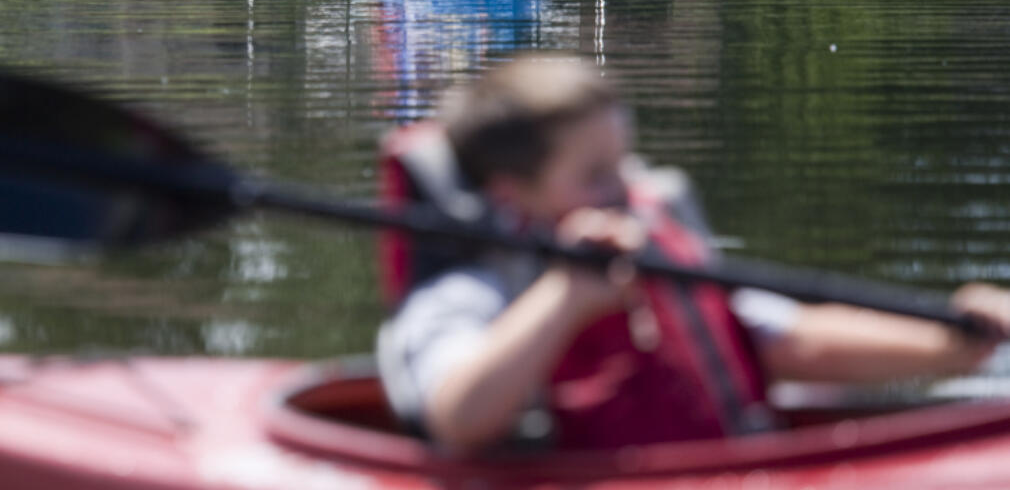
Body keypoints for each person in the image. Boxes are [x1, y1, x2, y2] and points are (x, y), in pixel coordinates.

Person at [376, 55, 1010, 452]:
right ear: (512, 193)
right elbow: (457, 416)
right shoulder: (468, 291)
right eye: (596, 172)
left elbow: (783, 338)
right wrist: (564, 298)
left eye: (621, 161)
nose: (624, 188)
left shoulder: (645, 250)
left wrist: (953, 342)